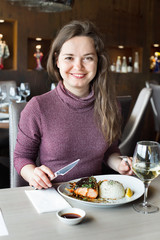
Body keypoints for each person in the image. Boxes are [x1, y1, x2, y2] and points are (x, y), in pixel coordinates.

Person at [14, 20, 133, 190]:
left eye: (88, 58)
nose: (78, 66)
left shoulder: (111, 105)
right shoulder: (38, 107)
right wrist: (33, 173)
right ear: (57, 60)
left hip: (96, 195)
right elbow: (21, 158)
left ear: (98, 62)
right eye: (69, 57)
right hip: (54, 194)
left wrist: (120, 164)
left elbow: (109, 151)